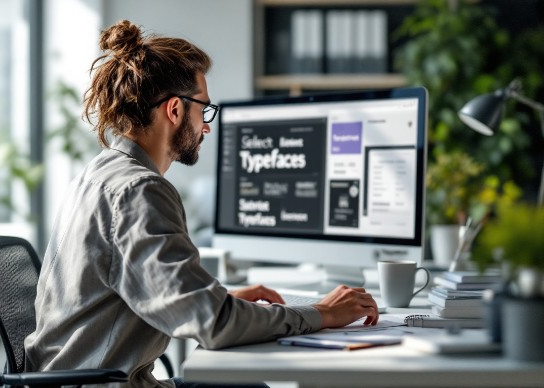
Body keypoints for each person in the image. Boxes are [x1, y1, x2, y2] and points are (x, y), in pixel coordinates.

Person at [24, 19, 378, 388]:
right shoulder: (140, 191)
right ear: (175, 110)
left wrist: (216, 298)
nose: (207, 126)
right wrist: (322, 313)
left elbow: (142, 291)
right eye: (203, 110)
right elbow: (214, 324)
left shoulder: (99, 173)